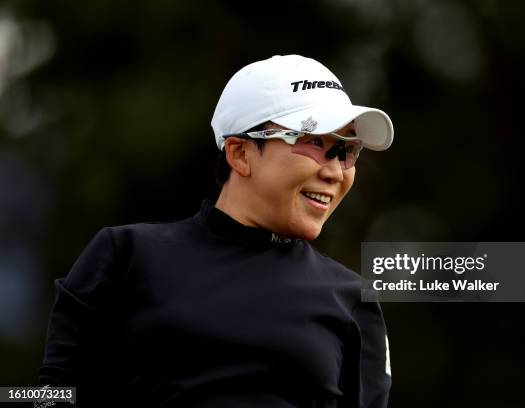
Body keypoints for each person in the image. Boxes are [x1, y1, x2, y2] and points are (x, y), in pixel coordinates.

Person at [39, 54, 394, 407]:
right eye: (315, 142)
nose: (335, 171)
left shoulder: (354, 300)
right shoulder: (126, 255)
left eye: (346, 150)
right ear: (240, 153)